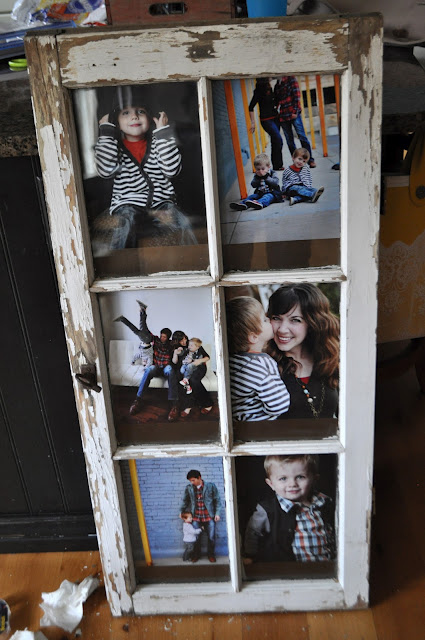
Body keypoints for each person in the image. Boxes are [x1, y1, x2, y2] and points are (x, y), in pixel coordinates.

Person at [92, 86, 196, 255]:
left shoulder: (158, 143)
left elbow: (171, 170)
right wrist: (106, 131)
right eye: (125, 113)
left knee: (182, 222)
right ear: (116, 122)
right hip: (126, 203)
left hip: (161, 202)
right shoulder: (113, 147)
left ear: (149, 116)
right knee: (125, 224)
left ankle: (189, 263)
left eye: (140, 111)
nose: (134, 116)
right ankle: (122, 265)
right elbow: (105, 170)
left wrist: (162, 131)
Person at [266, 283, 339, 419]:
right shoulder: (263, 366)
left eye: (295, 320)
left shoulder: (331, 360)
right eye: (276, 318)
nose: (282, 329)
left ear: (313, 323)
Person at [243, 454, 335, 563]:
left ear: (314, 479)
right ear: (271, 484)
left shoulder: (324, 503)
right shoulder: (268, 510)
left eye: (300, 477)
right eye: (283, 478)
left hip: (327, 567)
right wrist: (250, 555)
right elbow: (253, 532)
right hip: (290, 570)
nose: (292, 484)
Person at [226, 297, 290, 421]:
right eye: (265, 320)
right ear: (254, 337)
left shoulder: (232, 360)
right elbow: (279, 405)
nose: (270, 321)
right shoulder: (262, 364)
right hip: (260, 427)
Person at [126, 306, 180, 421]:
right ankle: (138, 400)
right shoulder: (155, 339)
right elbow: (145, 329)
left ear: (168, 337)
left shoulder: (172, 344)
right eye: (161, 335)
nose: (162, 338)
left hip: (165, 368)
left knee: (170, 369)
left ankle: (174, 405)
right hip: (155, 366)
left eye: (164, 336)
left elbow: (182, 342)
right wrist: (142, 313)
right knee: (149, 369)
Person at [180, 470, 221, 563]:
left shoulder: (210, 486)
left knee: (211, 537)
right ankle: (196, 555)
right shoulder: (189, 488)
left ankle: (211, 555)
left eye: (193, 480)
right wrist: (181, 511)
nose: (192, 482)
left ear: (199, 477)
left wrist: (217, 513)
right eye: (190, 481)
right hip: (196, 517)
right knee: (196, 537)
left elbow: (217, 500)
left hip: (209, 516)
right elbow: (185, 501)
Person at [274, 76, 316, 168]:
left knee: (302, 137)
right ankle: (297, 162)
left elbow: (297, 95)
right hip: (283, 116)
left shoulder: (291, 79)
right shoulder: (277, 84)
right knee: (289, 141)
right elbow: (277, 100)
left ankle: (310, 160)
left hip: (293, 113)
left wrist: (295, 111)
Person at [248, 78, 284, 171]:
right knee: (278, 139)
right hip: (266, 120)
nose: (270, 79)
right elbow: (251, 107)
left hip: (275, 118)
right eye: (268, 78)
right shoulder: (259, 91)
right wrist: (253, 123)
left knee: (275, 141)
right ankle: (277, 164)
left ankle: (277, 165)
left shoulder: (271, 88)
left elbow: (275, 102)